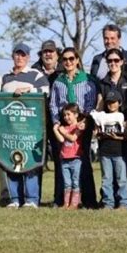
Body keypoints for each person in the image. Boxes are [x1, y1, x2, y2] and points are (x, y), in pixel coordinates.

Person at [1, 42, 50, 209]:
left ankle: (31, 199)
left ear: (28, 57)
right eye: (17, 54)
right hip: (11, 129)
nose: (20, 58)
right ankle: (15, 199)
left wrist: (28, 91)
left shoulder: (35, 75)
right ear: (12, 56)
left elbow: (45, 91)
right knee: (11, 161)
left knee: (29, 163)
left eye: (23, 55)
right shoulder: (6, 77)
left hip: (31, 128)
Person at [50, 47, 98, 208]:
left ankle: (89, 200)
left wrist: (83, 120)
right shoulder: (58, 82)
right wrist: (57, 123)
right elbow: (54, 105)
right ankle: (63, 200)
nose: (68, 62)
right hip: (64, 126)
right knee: (63, 161)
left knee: (83, 162)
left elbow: (91, 102)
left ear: (77, 60)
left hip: (82, 124)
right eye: (65, 59)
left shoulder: (87, 79)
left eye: (71, 58)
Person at [97, 48, 127, 209]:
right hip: (108, 129)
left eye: (116, 60)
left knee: (126, 165)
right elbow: (100, 104)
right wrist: (98, 124)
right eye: (110, 61)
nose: (113, 63)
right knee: (108, 170)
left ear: (122, 62)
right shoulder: (104, 82)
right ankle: (108, 201)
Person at [31, 40, 63, 202]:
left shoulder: (65, 70)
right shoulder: (32, 72)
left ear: (57, 54)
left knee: (60, 159)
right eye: (45, 52)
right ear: (41, 55)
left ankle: (59, 198)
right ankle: (34, 198)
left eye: (51, 51)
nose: (48, 54)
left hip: (59, 122)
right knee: (36, 160)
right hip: (38, 122)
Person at [95, 91, 127, 210]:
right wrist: (99, 134)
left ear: (119, 103)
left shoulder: (122, 117)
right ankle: (108, 202)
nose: (111, 105)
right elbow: (98, 135)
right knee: (106, 179)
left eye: (114, 102)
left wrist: (118, 137)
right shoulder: (102, 117)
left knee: (121, 179)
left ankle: (124, 202)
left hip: (119, 152)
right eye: (109, 102)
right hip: (105, 152)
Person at [53, 103, 84, 210]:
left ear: (76, 114)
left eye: (68, 114)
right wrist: (55, 130)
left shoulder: (79, 126)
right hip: (64, 159)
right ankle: (66, 203)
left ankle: (74, 204)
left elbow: (73, 138)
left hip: (76, 158)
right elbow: (61, 140)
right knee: (67, 183)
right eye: (64, 115)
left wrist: (63, 131)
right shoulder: (64, 127)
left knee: (75, 181)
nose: (66, 117)